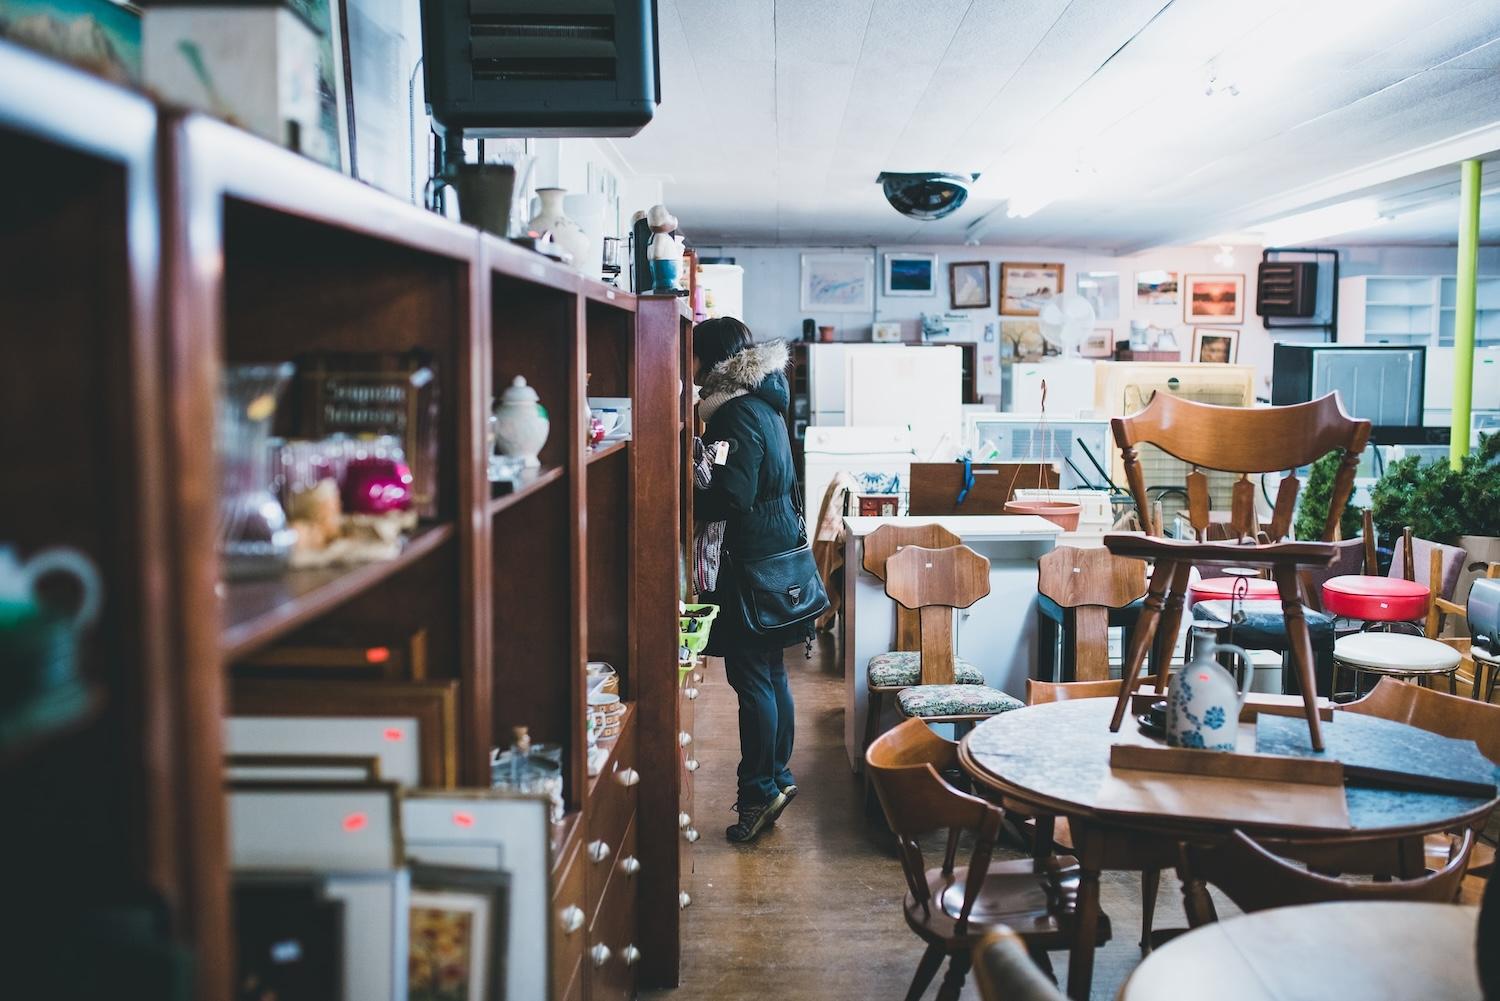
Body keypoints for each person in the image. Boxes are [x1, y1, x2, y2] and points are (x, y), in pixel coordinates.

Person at [692, 317, 804, 844]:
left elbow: (731, 496)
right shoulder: (767, 405)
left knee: (752, 678)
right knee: (771, 673)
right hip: (777, 557)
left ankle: (759, 792)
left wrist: (683, 494)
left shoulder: (732, 414)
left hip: (748, 562)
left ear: (709, 361)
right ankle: (777, 776)